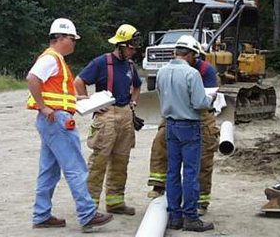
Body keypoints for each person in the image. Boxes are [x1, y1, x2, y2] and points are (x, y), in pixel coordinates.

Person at [26, 18, 113, 231]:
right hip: (56, 120)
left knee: (49, 171)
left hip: (52, 120)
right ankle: (87, 214)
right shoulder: (52, 59)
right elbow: (32, 78)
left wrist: (80, 100)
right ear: (62, 38)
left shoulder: (55, 60)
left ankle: (41, 215)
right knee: (75, 167)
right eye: (73, 39)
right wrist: (44, 107)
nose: (74, 43)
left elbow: (57, 93)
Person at [74, 24, 142, 216]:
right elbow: (79, 81)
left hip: (125, 115)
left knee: (121, 161)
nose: (133, 51)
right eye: (131, 47)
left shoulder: (130, 66)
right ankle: (89, 208)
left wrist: (133, 102)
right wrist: (90, 103)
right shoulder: (101, 62)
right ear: (120, 45)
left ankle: (115, 202)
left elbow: (137, 87)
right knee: (98, 163)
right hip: (106, 117)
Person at [148, 42, 219, 216]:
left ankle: (181, 210)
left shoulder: (164, 71)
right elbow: (200, 103)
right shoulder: (192, 73)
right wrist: (210, 98)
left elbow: (161, 94)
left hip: (176, 121)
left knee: (176, 168)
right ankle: (189, 213)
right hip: (190, 122)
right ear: (192, 54)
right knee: (190, 170)